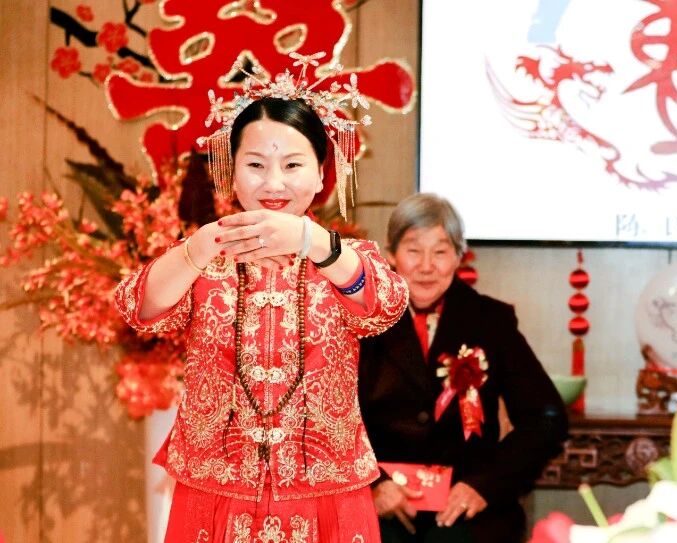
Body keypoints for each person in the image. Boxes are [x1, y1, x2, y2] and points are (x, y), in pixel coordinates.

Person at [114, 83, 409, 541]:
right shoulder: (201, 258)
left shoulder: (344, 258)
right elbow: (136, 306)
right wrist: (203, 245)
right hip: (215, 488)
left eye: (292, 165)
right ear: (232, 174)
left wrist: (313, 243)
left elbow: (385, 304)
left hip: (324, 490)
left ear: (320, 174)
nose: (274, 184)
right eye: (255, 165)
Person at [358, 193, 569, 543]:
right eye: (413, 250)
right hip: (381, 507)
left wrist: (485, 485)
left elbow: (546, 418)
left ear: (459, 255)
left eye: (440, 252)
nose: (427, 266)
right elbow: (331, 420)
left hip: (468, 509)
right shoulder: (361, 321)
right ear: (391, 255)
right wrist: (373, 484)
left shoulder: (491, 321)